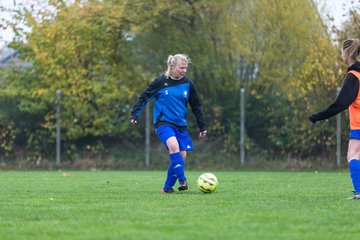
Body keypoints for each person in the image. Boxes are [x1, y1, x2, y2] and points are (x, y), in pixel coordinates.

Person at [130, 54, 207, 193]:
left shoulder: (188, 84)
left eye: (186, 68)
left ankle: (166, 188)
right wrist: (135, 113)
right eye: (181, 68)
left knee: (182, 156)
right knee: (173, 145)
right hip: (163, 123)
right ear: (172, 66)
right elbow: (144, 97)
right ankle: (182, 179)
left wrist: (202, 125)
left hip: (181, 125)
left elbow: (196, 105)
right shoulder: (160, 82)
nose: (184, 71)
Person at [309, 38, 360, 200]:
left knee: (352, 155)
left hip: (359, 124)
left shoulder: (353, 76)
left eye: (341, 52)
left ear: (346, 53)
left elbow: (340, 104)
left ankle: (359, 191)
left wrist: (318, 116)